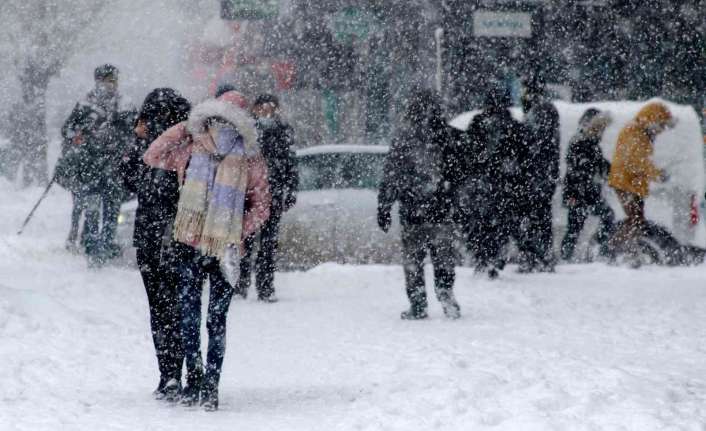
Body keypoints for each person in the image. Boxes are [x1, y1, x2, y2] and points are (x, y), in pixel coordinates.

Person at [144, 90, 271, 411]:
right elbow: (262, 206)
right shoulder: (250, 156)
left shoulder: (192, 146)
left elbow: (153, 154)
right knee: (216, 319)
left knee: (190, 316)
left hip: (190, 243)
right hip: (225, 249)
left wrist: (185, 127)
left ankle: (197, 380)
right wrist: (235, 229)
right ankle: (210, 385)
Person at [120, 88, 191, 401]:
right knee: (170, 307)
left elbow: (128, 179)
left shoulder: (183, 147)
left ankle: (173, 372)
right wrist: (138, 141)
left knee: (165, 308)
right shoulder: (155, 148)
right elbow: (127, 179)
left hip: (168, 236)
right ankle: (173, 372)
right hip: (165, 237)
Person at [377, 89, 460, 320]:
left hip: (412, 210)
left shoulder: (404, 138)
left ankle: (418, 303)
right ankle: (445, 294)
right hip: (441, 210)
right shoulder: (447, 136)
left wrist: (384, 206)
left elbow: (391, 175)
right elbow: (458, 174)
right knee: (443, 258)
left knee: (413, 261)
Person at [59, 64, 130, 264]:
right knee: (91, 207)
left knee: (112, 208)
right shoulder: (85, 104)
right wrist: (78, 136)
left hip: (114, 166)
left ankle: (106, 244)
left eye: (113, 80)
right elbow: (67, 130)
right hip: (89, 166)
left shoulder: (124, 104)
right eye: (107, 80)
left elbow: (132, 133)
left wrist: (121, 145)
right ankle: (91, 245)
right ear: (98, 81)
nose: (111, 84)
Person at [237, 93, 298, 302]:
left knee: (269, 244)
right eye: (262, 108)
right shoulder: (247, 131)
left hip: (273, 194)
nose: (267, 113)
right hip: (251, 195)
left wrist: (290, 190)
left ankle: (265, 286)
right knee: (246, 240)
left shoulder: (283, 131)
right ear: (255, 109)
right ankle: (241, 283)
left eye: (270, 109)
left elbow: (291, 162)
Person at [462, 85, 527, 279]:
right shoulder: (513, 126)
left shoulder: (478, 122)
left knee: (481, 223)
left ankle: (483, 258)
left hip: (483, 183)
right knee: (501, 223)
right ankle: (494, 257)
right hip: (505, 184)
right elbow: (523, 156)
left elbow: (467, 152)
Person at [607, 101, 674, 265]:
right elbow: (636, 162)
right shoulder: (634, 132)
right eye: (661, 125)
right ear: (652, 120)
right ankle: (617, 250)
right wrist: (657, 174)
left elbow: (640, 161)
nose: (662, 130)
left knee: (637, 220)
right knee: (635, 220)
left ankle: (623, 250)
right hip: (626, 184)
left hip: (632, 184)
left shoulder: (642, 132)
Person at [560, 108, 615, 261]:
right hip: (578, 193)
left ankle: (574, 253)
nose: (602, 132)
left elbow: (600, 165)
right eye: (600, 128)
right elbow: (580, 169)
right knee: (576, 226)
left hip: (587, 193)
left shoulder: (591, 143)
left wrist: (612, 172)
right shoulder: (580, 142)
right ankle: (593, 250)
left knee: (577, 227)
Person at [519, 74, 561, 272]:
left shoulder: (540, 110)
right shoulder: (544, 109)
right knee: (538, 217)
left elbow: (534, 144)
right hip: (541, 175)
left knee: (536, 217)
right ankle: (539, 257)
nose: (522, 94)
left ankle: (537, 258)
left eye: (524, 89)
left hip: (537, 175)